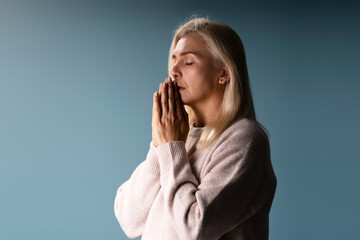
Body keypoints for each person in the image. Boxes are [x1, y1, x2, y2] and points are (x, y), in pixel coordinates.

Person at [114, 17, 277, 240]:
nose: (174, 70)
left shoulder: (245, 140)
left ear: (224, 73)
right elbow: (129, 220)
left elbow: (195, 229)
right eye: (174, 60)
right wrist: (160, 144)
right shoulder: (180, 138)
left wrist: (171, 148)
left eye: (188, 62)